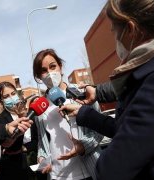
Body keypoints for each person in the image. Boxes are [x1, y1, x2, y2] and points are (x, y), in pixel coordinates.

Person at [59, 0, 154, 179]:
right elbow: (132, 133)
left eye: (113, 30)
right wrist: (84, 113)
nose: (114, 38)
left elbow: (111, 168)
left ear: (130, 29)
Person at [32, 49, 103, 180]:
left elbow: (101, 129)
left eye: (53, 66)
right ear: (39, 77)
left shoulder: (83, 93)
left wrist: (83, 146)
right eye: (43, 70)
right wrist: (42, 157)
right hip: (57, 175)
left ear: (60, 66)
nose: (49, 73)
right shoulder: (40, 107)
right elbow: (43, 143)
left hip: (90, 170)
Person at [0, 81, 40, 180]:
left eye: (13, 94)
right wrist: (20, 117)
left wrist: (26, 148)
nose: (11, 98)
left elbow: (38, 139)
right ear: (1, 101)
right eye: (6, 96)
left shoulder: (32, 113)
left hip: (35, 162)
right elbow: (9, 145)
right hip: (13, 168)